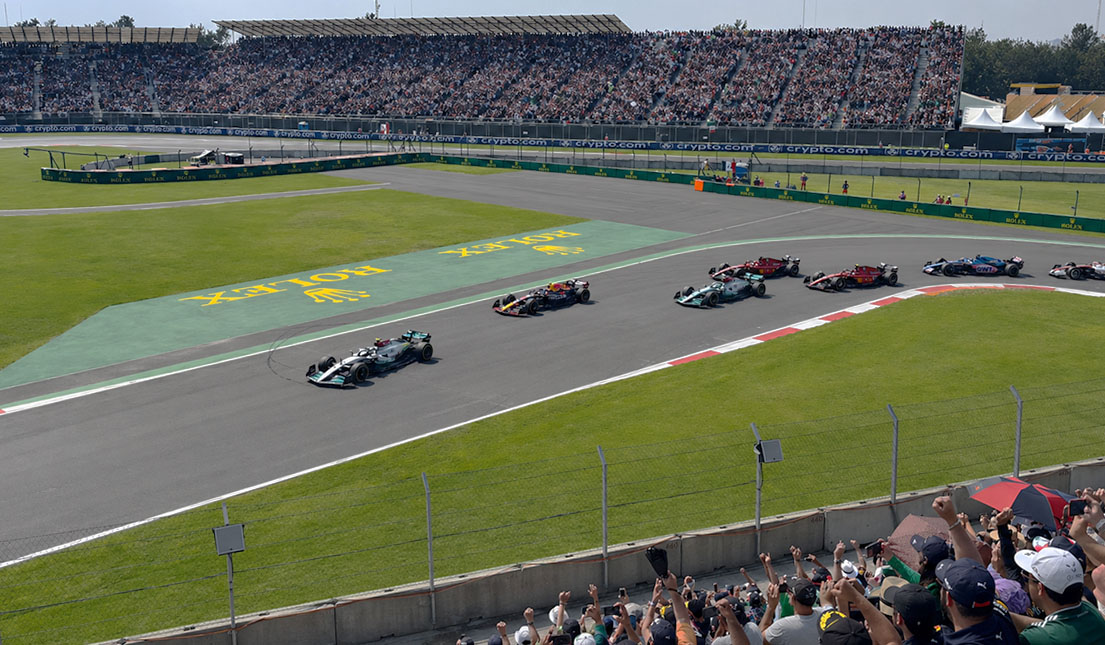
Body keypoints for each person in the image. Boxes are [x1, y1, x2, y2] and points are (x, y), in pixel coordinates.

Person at [1012, 547, 1105, 644]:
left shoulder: (1034, 638)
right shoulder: (1090, 610)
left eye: (1028, 577)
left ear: (1040, 588)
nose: (1027, 582)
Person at [759, 578, 824, 644]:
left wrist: (771, 607)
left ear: (792, 598)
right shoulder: (824, 614)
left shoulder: (782, 626)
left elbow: (759, 639)